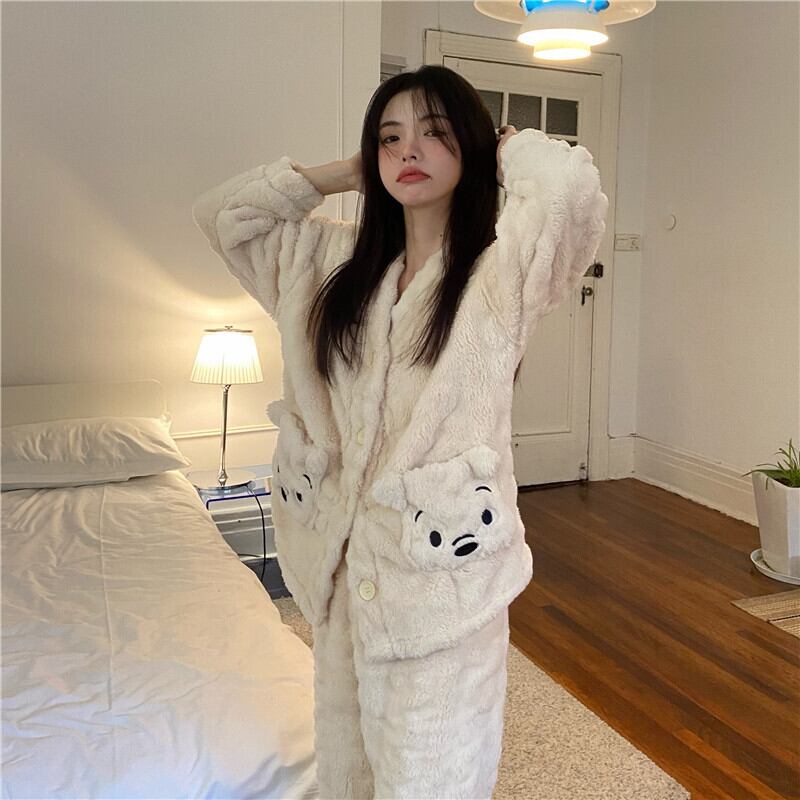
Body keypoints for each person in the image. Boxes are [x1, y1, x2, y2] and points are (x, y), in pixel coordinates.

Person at [192, 64, 608, 799]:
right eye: (389, 137)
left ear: (470, 146)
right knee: (347, 770)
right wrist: (342, 173)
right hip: (341, 572)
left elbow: (570, 192)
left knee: (431, 777)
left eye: (434, 132)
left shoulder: (500, 273)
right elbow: (224, 216)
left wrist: (502, 148)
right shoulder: (329, 264)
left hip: (441, 584)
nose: (407, 150)